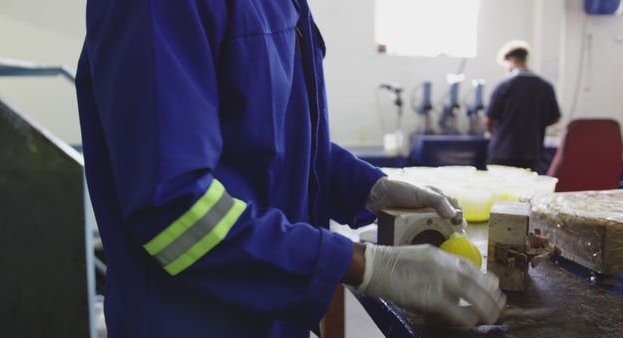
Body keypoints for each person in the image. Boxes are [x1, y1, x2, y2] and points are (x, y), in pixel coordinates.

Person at [75, 1, 505, 337]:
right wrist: (361, 264)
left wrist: (370, 187)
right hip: (191, 321)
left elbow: (275, 135)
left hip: (275, 319)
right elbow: (173, 209)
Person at [485, 41, 562, 171]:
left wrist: (499, 134)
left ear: (509, 60)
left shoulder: (503, 85)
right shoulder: (545, 86)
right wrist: (535, 125)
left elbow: (488, 120)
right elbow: (555, 117)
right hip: (531, 153)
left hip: (503, 153)